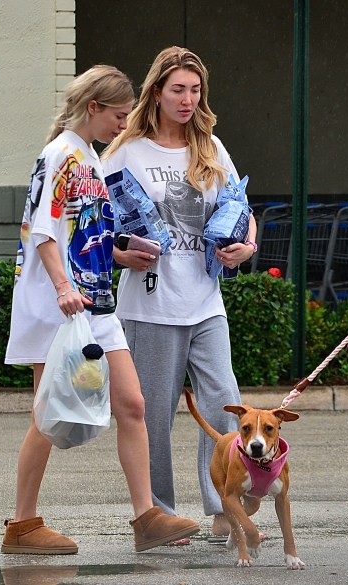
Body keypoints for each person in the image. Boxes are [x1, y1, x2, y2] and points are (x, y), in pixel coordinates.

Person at [3, 64, 200, 554]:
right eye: (117, 113)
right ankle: (22, 526)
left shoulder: (88, 157)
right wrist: (63, 287)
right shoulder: (62, 155)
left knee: (132, 404)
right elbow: (45, 232)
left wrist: (117, 253)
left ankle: (147, 518)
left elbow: (83, 231)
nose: (123, 122)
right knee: (48, 416)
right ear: (93, 108)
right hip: (60, 306)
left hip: (95, 300)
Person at [103, 46, 257, 540]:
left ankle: (222, 505)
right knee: (153, 414)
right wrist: (120, 255)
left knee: (223, 401)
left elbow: (242, 207)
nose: (188, 99)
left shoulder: (211, 147)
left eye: (195, 90)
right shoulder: (125, 151)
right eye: (178, 89)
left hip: (206, 302)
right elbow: (92, 228)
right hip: (150, 306)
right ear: (156, 92)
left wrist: (247, 246)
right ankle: (160, 513)